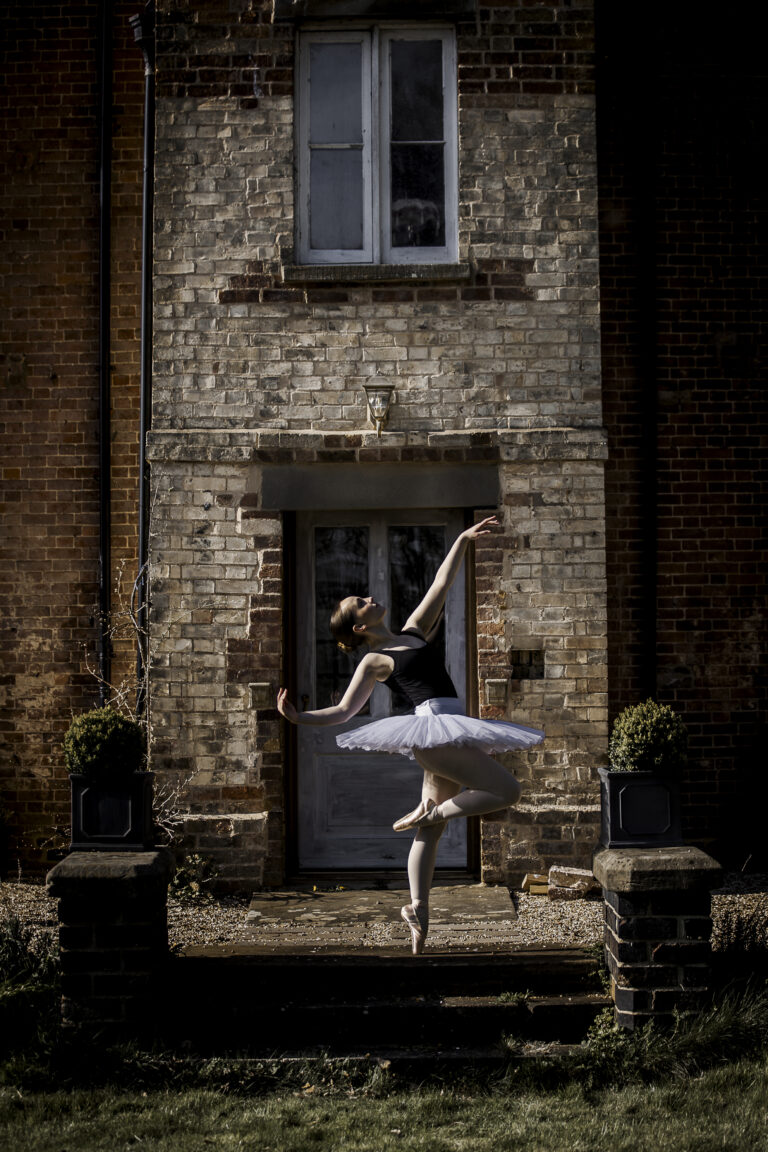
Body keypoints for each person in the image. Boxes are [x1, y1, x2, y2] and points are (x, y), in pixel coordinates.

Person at [277, 517, 545, 955]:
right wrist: (298, 717)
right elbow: (344, 711)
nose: (369, 598)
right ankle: (431, 814)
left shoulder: (412, 631)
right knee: (507, 791)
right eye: (360, 603)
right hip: (434, 733)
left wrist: (462, 540)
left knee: (430, 833)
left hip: (450, 729)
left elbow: (440, 585)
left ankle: (418, 912)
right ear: (359, 627)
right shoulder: (375, 660)